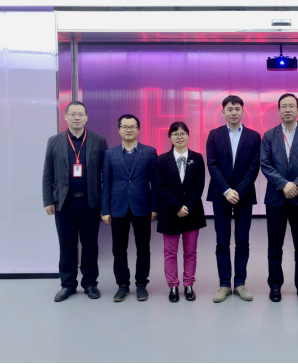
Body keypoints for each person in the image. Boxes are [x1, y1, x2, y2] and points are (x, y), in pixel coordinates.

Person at [42, 101, 108, 302]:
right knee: (67, 245)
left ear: (86, 117)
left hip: (90, 202)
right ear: (66, 117)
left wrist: (105, 203)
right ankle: (68, 285)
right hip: (64, 203)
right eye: (73, 114)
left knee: (90, 245)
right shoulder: (54, 141)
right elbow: (48, 173)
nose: (77, 118)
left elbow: (106, 174)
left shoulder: (98, 141)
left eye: (80, 114)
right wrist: (48, 200)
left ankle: (90, 283)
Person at [260, 93, 298, 304]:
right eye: (284, 106)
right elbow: (265, 164)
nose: (287, 109)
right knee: (274, 247)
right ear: (278, 110)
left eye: (291, 106)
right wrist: (284, 184)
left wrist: (296, 185)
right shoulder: (269, 135)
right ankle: (275, 286)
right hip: (275, 199)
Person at [206, 96, 262, 303]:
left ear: (243, 111)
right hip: (220, 195)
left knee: (242, 240)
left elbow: (254, 166)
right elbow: (212, 165)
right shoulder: (214, 135)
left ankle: (240, 284)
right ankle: (224, 284)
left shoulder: (253, 136)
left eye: (237, 109)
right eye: (229, 109)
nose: (233, 112)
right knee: (222, 241)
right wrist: (226, 190)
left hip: (244, 195)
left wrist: (238, 190)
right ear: (223, 112)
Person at [101, 115, 158, 303]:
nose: (128, 130)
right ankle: (122, 285)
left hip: (142, 207)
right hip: (118, 207)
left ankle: (141, 283)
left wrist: (154, 207)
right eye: (125, 127)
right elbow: (106, 183)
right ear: (119, 130)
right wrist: (105, 210)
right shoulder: (110, 154)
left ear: (138, 129)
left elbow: (155, 183)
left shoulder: (149, 152)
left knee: (143, 248)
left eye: (132, 127)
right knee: (119, 249)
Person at [155, 122, 207, 303]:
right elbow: (161, 187)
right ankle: (173, 286)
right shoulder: (162, 160)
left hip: (192, 212)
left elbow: (200, 185)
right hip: (170, 212)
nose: (179, 137)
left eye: (183, 133)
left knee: (190, 252)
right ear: (170, 137)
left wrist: (188, 207)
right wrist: (177, 206)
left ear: (188, 136)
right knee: (170, 252)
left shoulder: (197, 158)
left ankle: (188, 284)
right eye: (175, 134)